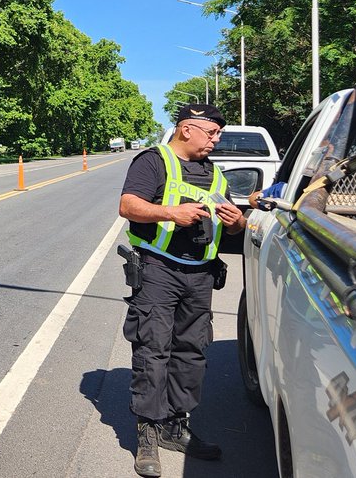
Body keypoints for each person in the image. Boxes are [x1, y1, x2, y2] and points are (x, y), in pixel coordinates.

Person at [118, 103, 246, 477]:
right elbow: (127, 205)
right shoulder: (153, 161)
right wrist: (172, 213)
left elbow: (232, 224)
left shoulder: (214, 173)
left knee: (192, 351)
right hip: (158, 271)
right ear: (187, 129)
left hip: (200, 275)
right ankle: (147, 434)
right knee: (153, 349)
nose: (217, 139)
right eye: (212, 133)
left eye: (219, 133)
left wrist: (237, 221)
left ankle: (176, 426)